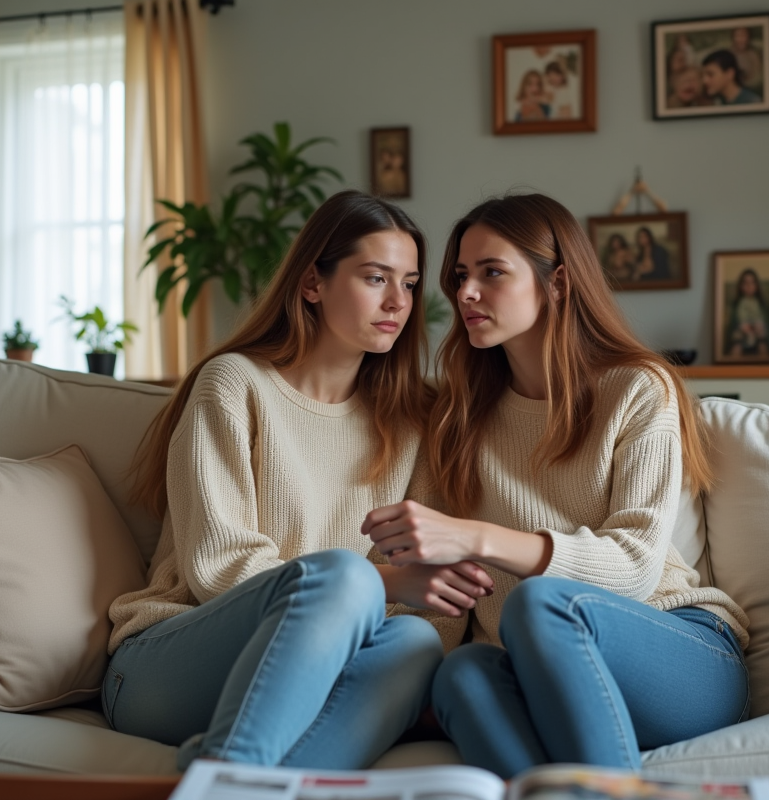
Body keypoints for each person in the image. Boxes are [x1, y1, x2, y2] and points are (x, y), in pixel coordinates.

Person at [361, 194, 751, 778]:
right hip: (529, 666)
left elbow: (637, 567)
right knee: (464, 673)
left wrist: (477, 538)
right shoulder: (457, 415)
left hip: (678, 654)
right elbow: (439, 598)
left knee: (539, 603)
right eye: (461, 276)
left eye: (492, 272)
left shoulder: (639, 389)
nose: (465, 293)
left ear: (559, 282)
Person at [105, 190, 494, 771]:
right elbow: (219, 569)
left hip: (320, 673)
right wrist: (381, 581)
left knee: (412, 643)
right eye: (375, 277)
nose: (398, 301)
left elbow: (434, 613)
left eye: (410, 283)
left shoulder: (416, 419)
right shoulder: (233, 385)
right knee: (343, 576)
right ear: (313, 282)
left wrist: (382, 597)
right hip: (172, 662)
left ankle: (236, 777)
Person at [727, 268, 769, 357]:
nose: (749, 286)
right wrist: (743, 326)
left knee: (762, 346)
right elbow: (736, 320)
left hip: (758, 331)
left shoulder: (760, 304)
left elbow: (764, 320)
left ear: (757, 285)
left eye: (752, 282)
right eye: (745, 283)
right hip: (742, 331)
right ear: (740, 286)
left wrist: (759, 325)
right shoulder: (738, 304)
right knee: (736, 347)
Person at [729, 27, 763, 94]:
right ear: (733, 38)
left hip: (750, 89)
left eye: (744, 36)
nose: (741, 39)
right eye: (738, 36)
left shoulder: (753, 55)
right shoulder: (728, 54)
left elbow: (757, 77)